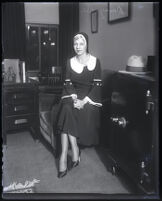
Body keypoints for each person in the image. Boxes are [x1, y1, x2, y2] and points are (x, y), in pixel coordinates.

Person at [56, 32, 102, 178]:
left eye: (81, 43)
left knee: (66, 110)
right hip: (72, 94)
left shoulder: (96, 61)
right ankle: (68, 153)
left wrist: (84, 101)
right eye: (75, 43)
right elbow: (68, 83)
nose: (78, 46)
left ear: (87, 44)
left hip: (89, 97)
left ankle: (70, 154)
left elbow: (97, 85)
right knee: (66, 107)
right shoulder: (70, 61)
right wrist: (75, 98)